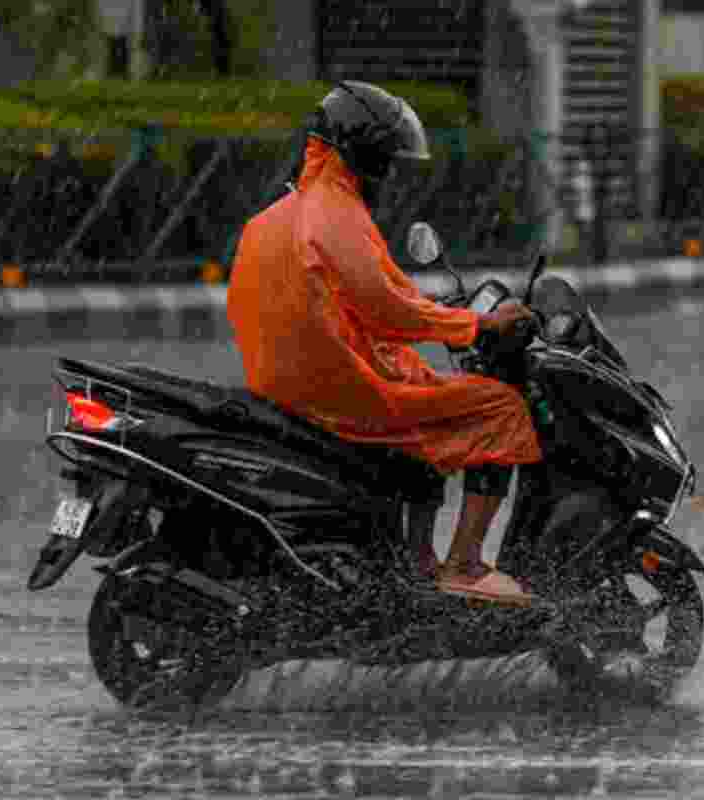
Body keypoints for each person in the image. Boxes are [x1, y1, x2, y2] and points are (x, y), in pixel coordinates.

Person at [226, 82, 542, 606]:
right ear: (365, 157)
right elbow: (390, 309)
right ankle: (463, 566)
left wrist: (420, 343)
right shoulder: (335, 215)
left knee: (428, 394)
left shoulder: (281, 213)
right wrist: (478, 327)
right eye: (388, 163)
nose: (391, 177)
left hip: (289, 386)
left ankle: (415, 561)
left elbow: (367, 300)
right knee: (499, 408)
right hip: (340, 392)